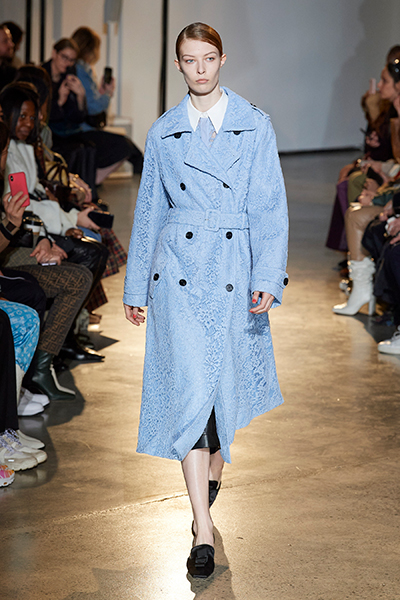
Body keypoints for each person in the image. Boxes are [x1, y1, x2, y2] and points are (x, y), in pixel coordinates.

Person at [123, 23, 288, 578]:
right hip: (180, 275)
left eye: (208, 58)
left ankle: (212, 471)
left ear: (222, 60)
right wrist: (136, 286)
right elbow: (150, 210)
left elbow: (269, 205)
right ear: (178, 64)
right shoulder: (164, 132)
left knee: (221, 396)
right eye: (190, 60)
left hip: (235, 269)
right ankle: (201, 530)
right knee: (190, 394)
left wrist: (268, 274)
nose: (200, 69)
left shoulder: (254, 125)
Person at [333, 57, 400, 316]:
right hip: (393, 186)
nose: (380, 85)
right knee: (354, 204)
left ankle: (366, 288)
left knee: (357, 204)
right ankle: (361, 287)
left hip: (394, 191)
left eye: (385, 81)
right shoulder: (392, 115)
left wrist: (382, 193)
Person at [71, 26, 144, 177]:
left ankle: (95, 178)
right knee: (128, 148)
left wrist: (101, 93)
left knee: (130, 149)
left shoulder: (78, 69)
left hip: (79, 128)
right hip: (82, 129)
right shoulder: (82, 71)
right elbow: (94, 106)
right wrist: (108, 94)